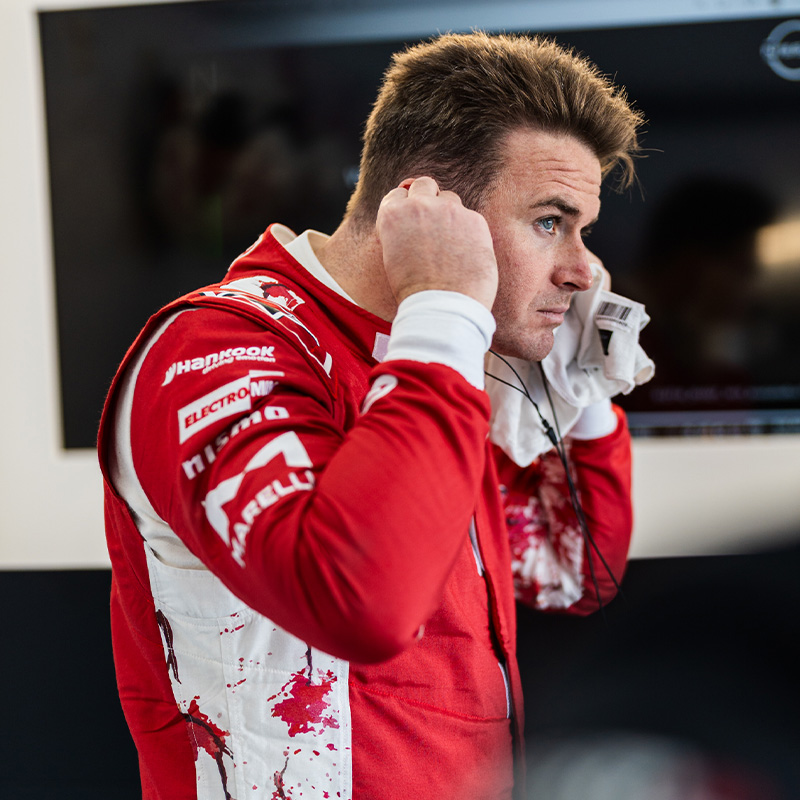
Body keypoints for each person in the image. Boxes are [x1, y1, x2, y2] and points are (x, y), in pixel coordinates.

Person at [98, 31, 644, 800]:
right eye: (551, 222)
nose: (585, 269)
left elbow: (573, 571)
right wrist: (448, 308)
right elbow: (356, 605)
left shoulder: (438, 359)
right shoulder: (219, 345)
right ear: (431, 212)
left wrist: (577, 392)